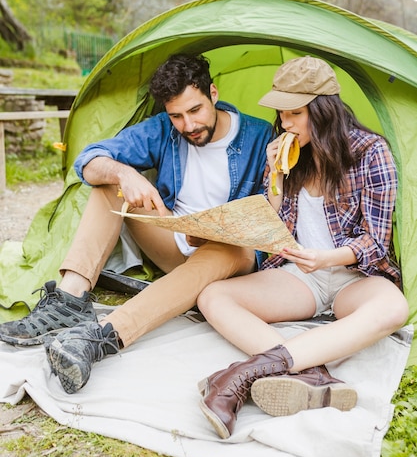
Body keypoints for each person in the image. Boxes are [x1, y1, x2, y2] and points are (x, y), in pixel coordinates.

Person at [0, 53, 274, 394]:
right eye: (177, 116)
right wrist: (125, 174)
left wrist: (226, 229)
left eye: (195, 110)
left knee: (226, 249)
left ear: (213, 94)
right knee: (110, 184)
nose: (188, 125)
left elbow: (276, 213)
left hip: (231, 255)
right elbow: (87, 161)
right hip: (174, 239)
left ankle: (101, 338)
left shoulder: (260, 135)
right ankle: (70, 303)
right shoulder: (164, 129)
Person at [196, 55, 409, 439]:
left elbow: (376, 242)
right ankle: (311, 373)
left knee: (395, 306)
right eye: (282, 115)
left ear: (324, 111)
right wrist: (275, 176)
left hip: (353, 277)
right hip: (298, 278)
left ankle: (241, 374)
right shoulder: (287, 153)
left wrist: (328, 258)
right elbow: (270, 227)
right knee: (213, 296)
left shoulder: (369, 152)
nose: (286, 124)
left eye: (295, 113)